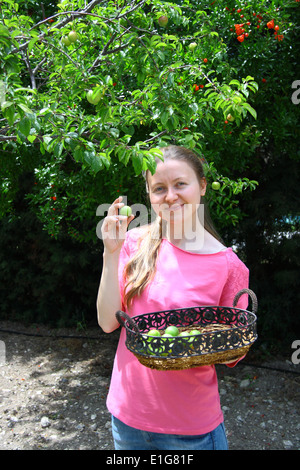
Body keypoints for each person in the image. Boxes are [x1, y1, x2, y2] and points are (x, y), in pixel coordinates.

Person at [96, 145, 249, 450]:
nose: (170, 196)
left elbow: (235, 355)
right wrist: (109, 255)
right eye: (159, 188)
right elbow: (106, 322)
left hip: (190, 431)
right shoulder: (133, 243)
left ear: (202, 186)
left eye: (181, 184)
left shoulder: (228, 266)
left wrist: (207, 342)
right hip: (127, 420)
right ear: (149, 195)